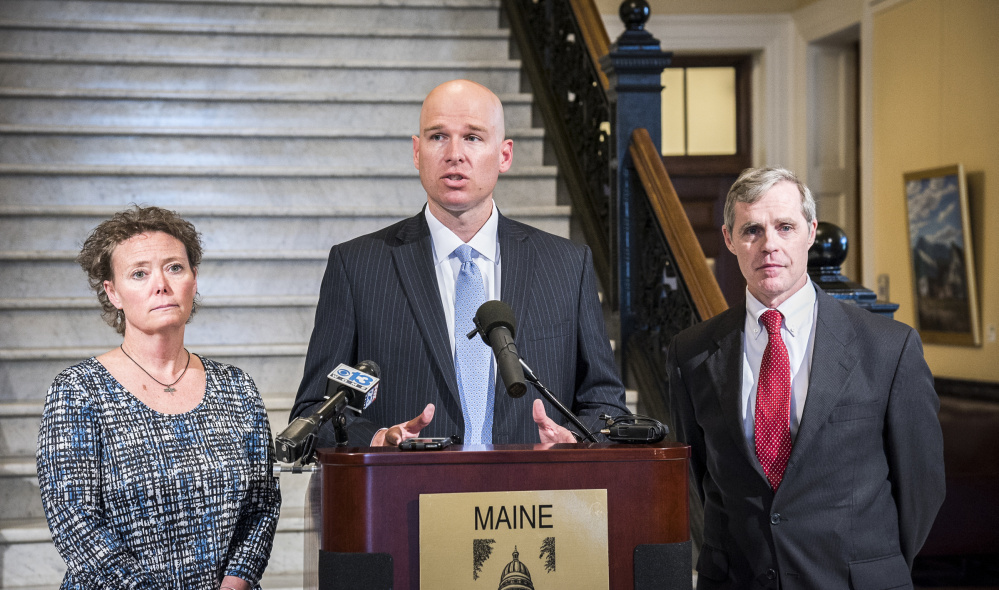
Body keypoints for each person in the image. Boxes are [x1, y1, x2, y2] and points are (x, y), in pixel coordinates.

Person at [291, 79, 627, 447]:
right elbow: (313, 414)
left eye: (473, 137)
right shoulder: (357, 267)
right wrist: (375, 439)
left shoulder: (566, 266)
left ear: (504, 155)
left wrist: (576, 441)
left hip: (532, 497)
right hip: (406, 498)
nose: (454, 153)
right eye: (438, 137)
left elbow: (607, 406)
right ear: (417, 153)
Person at [667, 167, 945, 589]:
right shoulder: (691, 353)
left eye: (785, 227)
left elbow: (922, 488)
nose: (769, 245)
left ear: (811, 232)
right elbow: (704, 480)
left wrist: (873, 566)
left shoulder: (889, 348)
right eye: (752, 230)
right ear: (728, 239)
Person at [36, 206, 281, 589]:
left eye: (175, 267)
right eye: (139, 273)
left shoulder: (238, 387)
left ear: (194, 279)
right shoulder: (78, 391)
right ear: (113, 292)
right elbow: (75, 521)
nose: (161, 284)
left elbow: (262, 506)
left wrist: (237, 582)